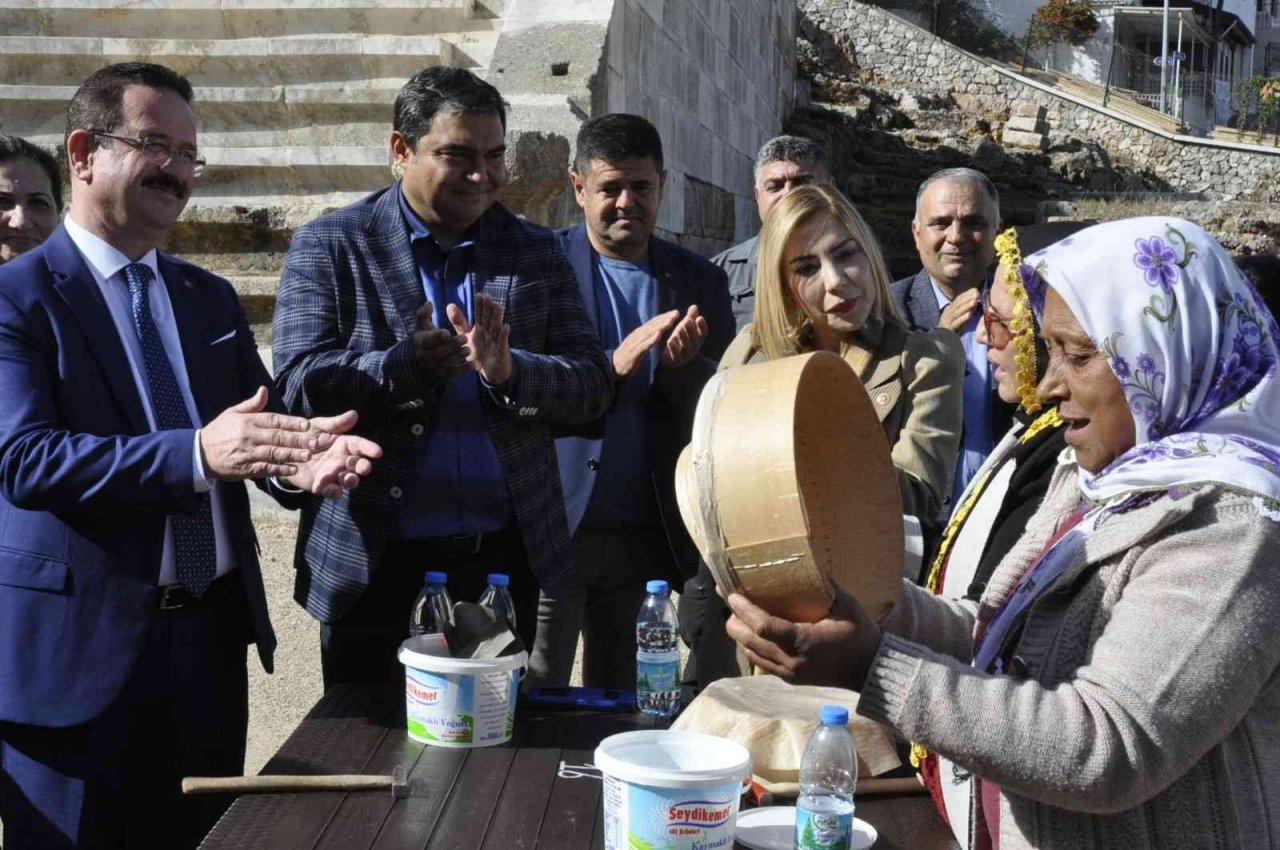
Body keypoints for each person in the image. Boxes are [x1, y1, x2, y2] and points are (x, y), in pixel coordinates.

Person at [727, 216, 1280, 849]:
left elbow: (1108, 747)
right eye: (1049, 350)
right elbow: (992, 631)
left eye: (1077, 355)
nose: (1048, 383)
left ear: (1166, 351)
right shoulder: (1100, 480)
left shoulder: (1232, 525)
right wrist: (861, 600)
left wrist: (872, 666)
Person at [0, 62, 382, 849]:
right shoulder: (17, 298)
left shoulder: (204, 297)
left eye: (188, 154)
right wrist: (197, 453)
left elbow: (256, 424)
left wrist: (297, 464)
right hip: (78, 661)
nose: (176, 170)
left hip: (205, 647)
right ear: (81, 152)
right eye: (155, 145)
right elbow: (27, 459)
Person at [272, 66, 612, 689]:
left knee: (491, 760)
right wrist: (404, 367)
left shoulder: (535, 253)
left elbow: (592, 386)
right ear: (400, 150)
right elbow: (297, 384)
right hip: (374, 567)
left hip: (501, 565)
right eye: (458, 155)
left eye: (494, 155)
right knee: (377, 764)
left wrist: (511, 373)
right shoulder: (333, 245)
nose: (482, 176)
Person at [680, 183, 963, 695]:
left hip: (862, 626)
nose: (836, 282)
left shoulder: (926, 357)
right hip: (753, 619)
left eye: (845, 254)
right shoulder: (750, 353)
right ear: (782, 284)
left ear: (868, 252)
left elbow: (919, 492)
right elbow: (712, 471)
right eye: (807, 268)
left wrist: (812, 447)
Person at [532, 114, 734, 688]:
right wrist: (610, 368)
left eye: (641, 188)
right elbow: (521, 386)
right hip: (556, 526)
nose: (626, 203)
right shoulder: (539, 269)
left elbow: (718, 412)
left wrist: (683, 369)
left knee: (622, 697)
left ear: (662, 186)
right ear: (578, 188)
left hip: (644, 536)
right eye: (609, 188)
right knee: (536, 688)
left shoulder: (700, 283)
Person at [913, 223, 1088, 844]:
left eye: (1001, 320)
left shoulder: (1069, 450)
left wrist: (878, 659)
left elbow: (1099, 743)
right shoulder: (1039, 430)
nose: (984, 334)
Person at [892, 167, 1008, 510]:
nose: (956, 237)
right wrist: (935, 344)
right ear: (916, 233)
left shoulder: (1033, 310)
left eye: (973, 223)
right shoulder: (886, 313)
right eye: (940, 223)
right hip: (919, 518)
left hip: (1008, 515)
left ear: (997, 232)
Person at [712, 135, 830, 332]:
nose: (788, 195)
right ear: (757, 196)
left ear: (830, 189)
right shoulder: (717, 276)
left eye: (802, 183)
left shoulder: (855, 265)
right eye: (775, 186)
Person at [0, 134, 63, 264]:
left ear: (58, 217)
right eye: (2, 201)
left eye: (38, 203)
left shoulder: (93, 283)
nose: (20, 222)